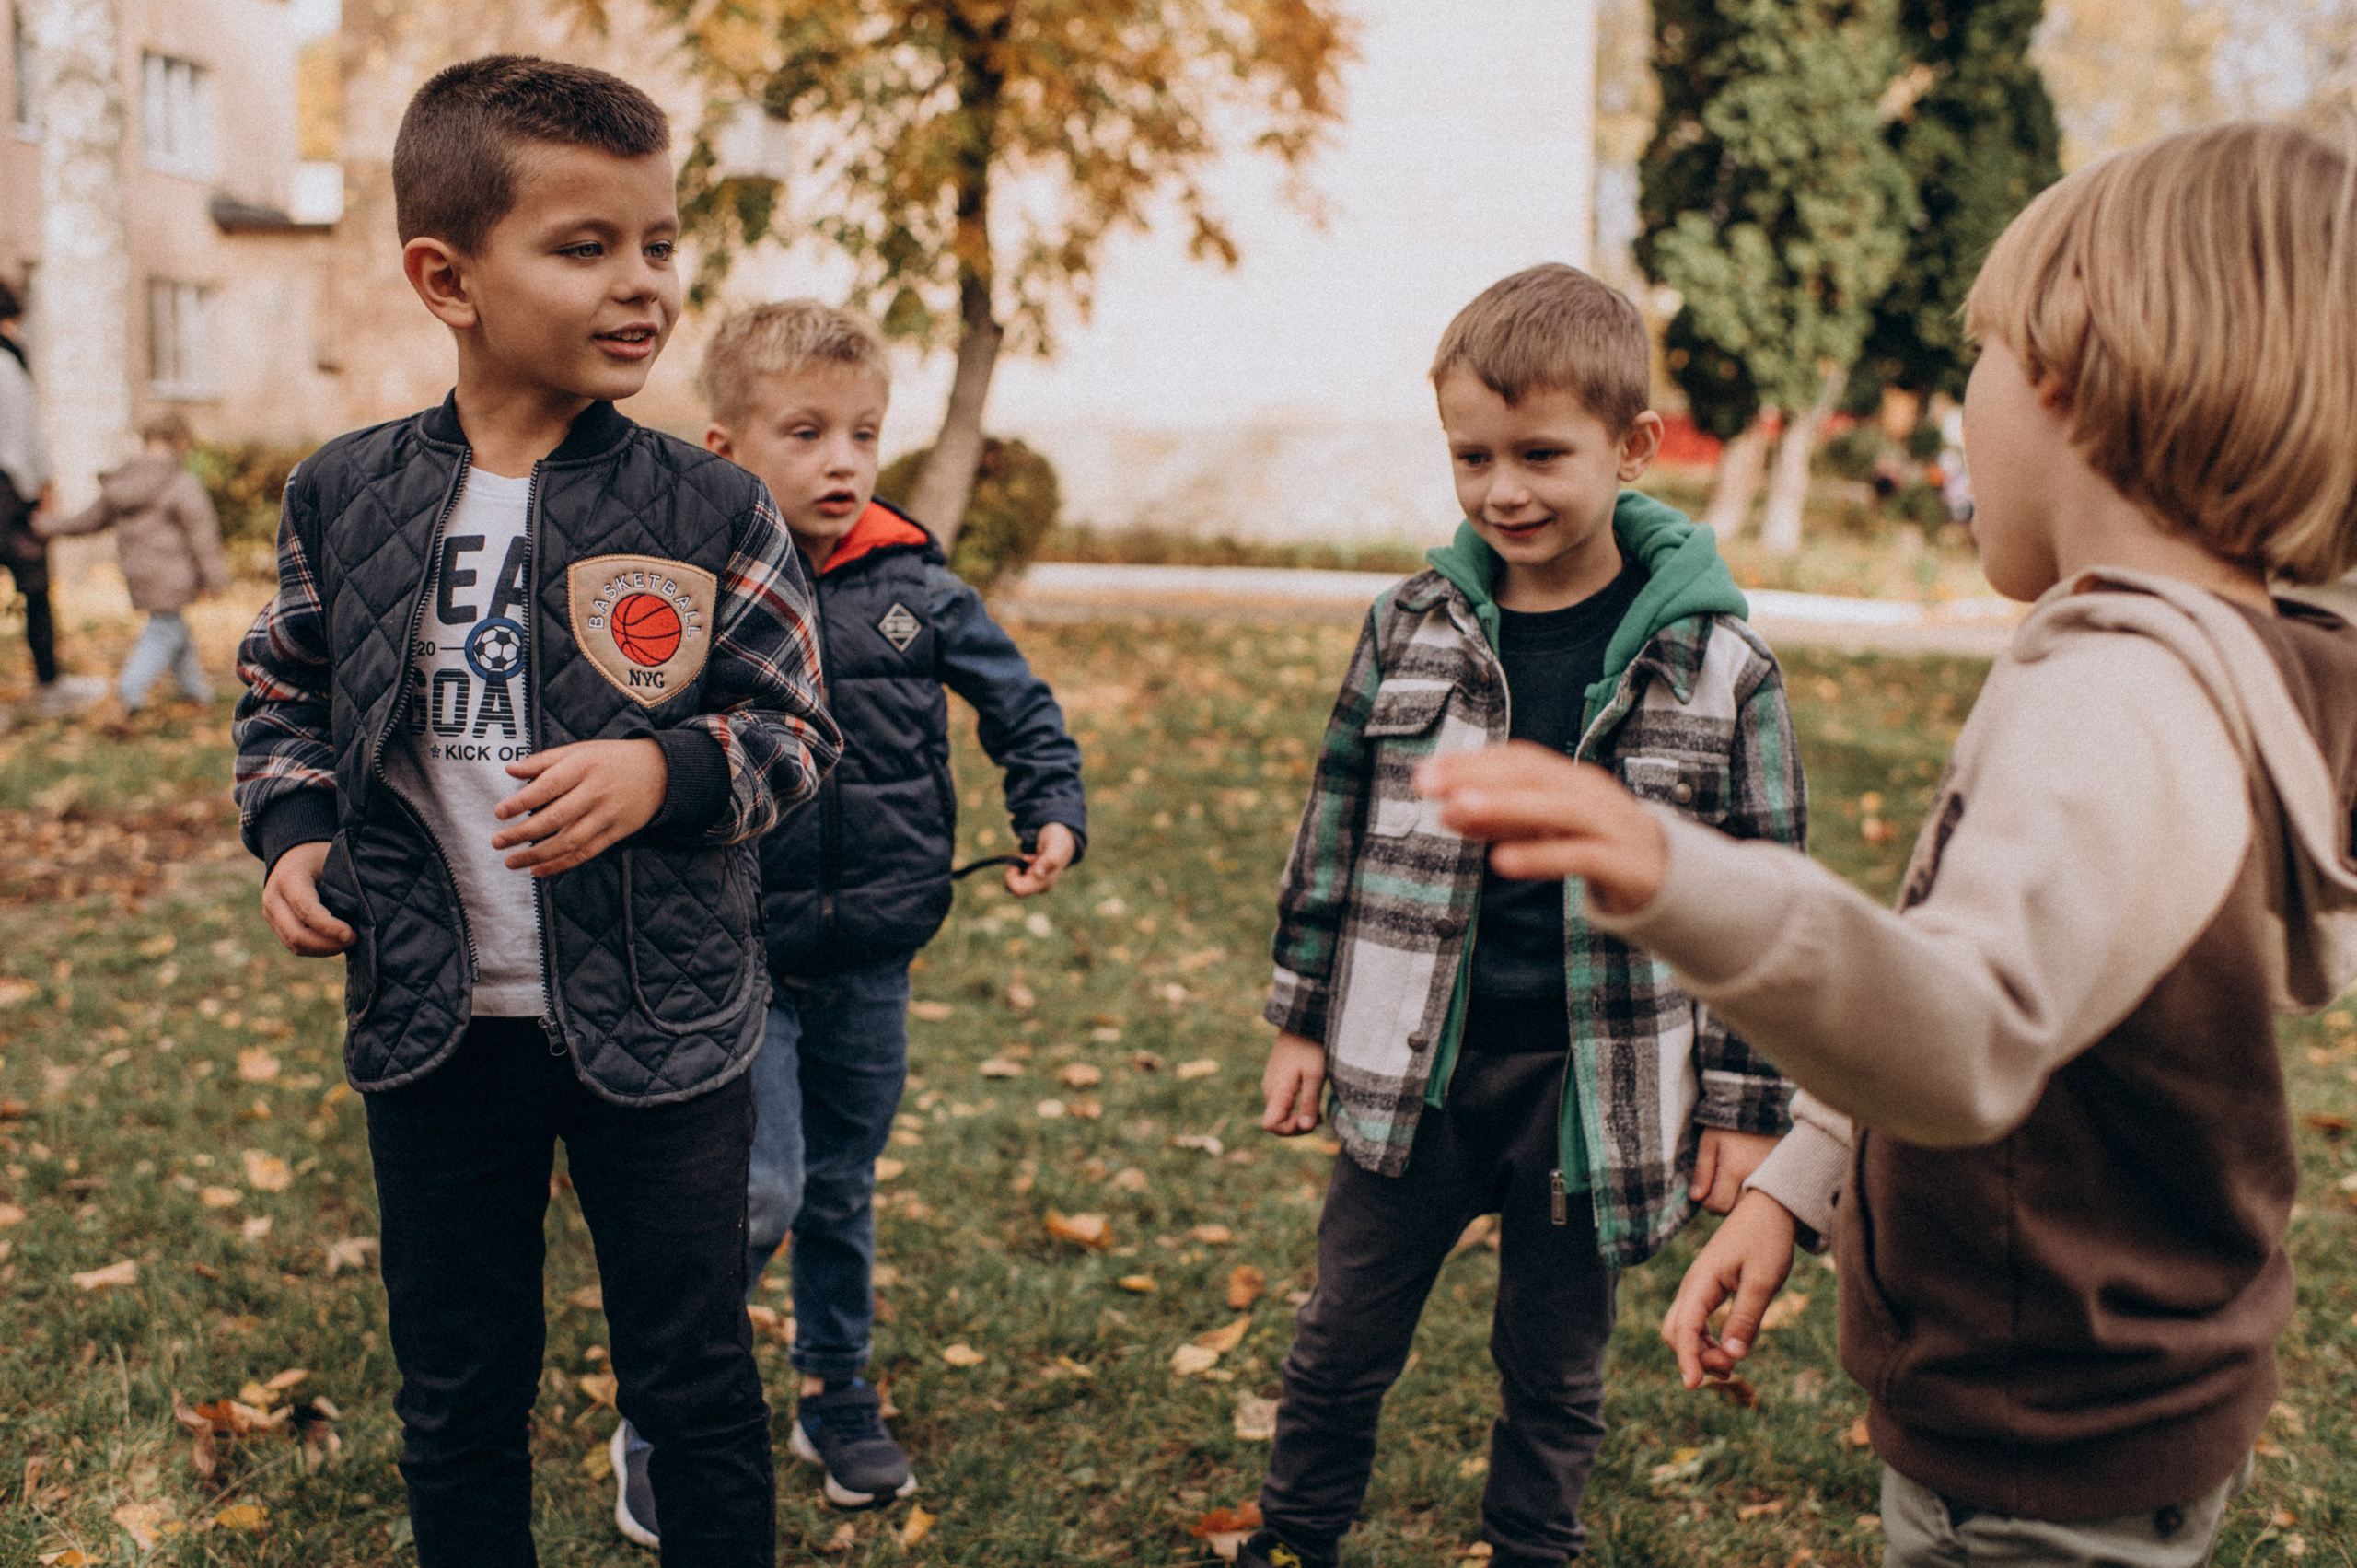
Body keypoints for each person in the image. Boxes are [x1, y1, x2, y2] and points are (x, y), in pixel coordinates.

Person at [1416, 122, 2357, 1568]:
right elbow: (1990, 960)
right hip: (2118, 1407)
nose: (1955, 410)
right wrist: (1802, 1181)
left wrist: (1679, 874)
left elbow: (1959, 1037)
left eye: (1973, 355)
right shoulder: (2231, 665)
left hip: (2035, 1447)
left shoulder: (2121, 698)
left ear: (2073, 367)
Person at [231, 56, 842, 1568]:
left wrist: (666, 768)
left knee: (694, 1382)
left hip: (665, 1013)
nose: (643, 285)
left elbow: (793, 727)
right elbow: (282, 692)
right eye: (586, 247)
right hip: (437, 1020)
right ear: (447, 275)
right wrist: (293, 834)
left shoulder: (710, 509)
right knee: (453, 1387)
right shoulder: (346, 493)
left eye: (660, 242)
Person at [1242, 263, 1807, 1568]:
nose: (1505, 490)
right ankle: (1292, 1535)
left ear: (1634, 447)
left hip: (1590, 1088)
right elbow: (1333, 827)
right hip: (1412, 1070)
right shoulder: (1410, 627)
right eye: (1472, 455)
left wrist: (1740, 1101)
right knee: (1337, 1342)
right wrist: (1301, 1020)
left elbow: (1771, 901)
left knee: (1555, 1370)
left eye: (1542, 453)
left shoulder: (1718, 665)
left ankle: (1533, 1546)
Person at [604, 299, 1087, 1542]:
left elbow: (1022, 707)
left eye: (862, 434)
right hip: (737, 953)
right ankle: (665, 1410)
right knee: (757, 1188)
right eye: (806, 431)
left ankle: (836, 1389)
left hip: (876, 946)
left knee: (838, 1180)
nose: (840, 461)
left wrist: (1052, 805)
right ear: (724, 448)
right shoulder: (687, 593)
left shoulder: (915, 584)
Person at [39, 411, 228, 712]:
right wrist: (215, 577)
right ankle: (128, 695)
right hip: (173, 572)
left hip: (138, 572)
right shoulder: (180, 482)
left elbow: (90, 520)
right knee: (164, 629)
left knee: (173, 627)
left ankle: (195, 694)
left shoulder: (123, 482)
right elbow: (201, 533)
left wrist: (50, 526)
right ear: (180, 442)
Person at [0, 280, 105, 716]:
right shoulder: (8, 364)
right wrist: (41, 495)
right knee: (36, 591)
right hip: (8, 494)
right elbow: (27, 441)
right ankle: (49, 684)